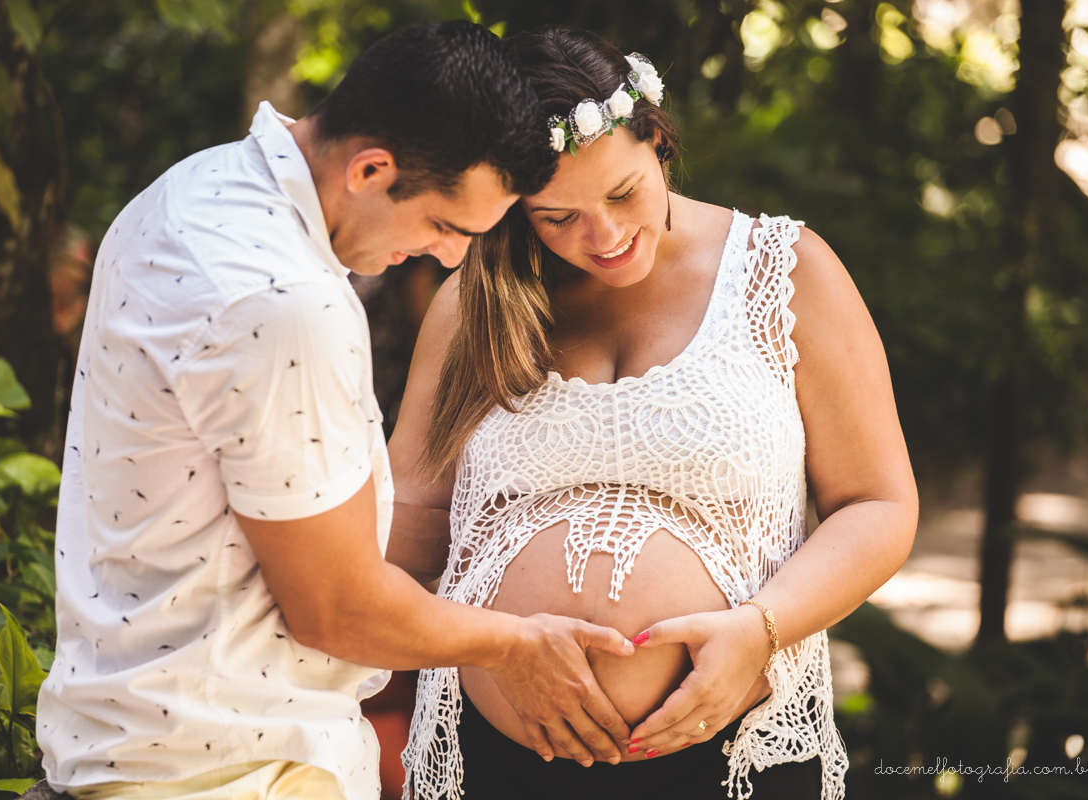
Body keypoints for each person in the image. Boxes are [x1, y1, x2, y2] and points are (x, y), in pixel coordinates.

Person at [37, 22, 640, 800]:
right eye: (444, 226)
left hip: (134, 746)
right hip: (228, 773)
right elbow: (338, 609)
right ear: (372, 169)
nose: (451, 257)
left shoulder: (190, 190)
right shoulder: (288, 308)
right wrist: (517, 645)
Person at [387, 27, 919, 800]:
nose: (601, 236)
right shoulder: (479, 302)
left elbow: (878, 503)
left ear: (658, 142)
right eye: (556, 217)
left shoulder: (784, 271)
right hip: (500, 761)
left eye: (622, 193)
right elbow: (410, 518)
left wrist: (758, 629)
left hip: (733, 749)